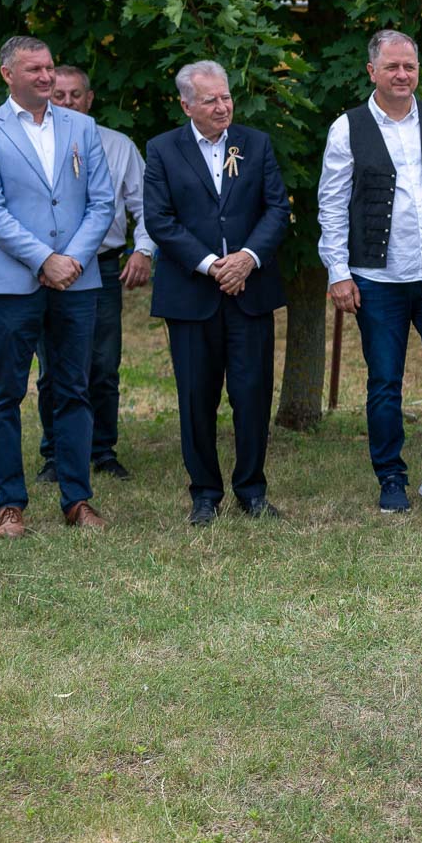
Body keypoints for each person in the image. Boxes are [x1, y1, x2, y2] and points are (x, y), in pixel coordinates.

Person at [318, 30, 422, 514]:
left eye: (409, 67)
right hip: (378, 278)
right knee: (385, 382)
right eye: (392, 67)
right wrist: (338, 272)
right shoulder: (347, 128)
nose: (402, 75)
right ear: (372, 71)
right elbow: (332, 206)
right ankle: (391, 477)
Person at [0, 35, 114, 537]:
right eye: (35, 69)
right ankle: (10, 504)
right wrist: (43, 259)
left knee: (73, 389)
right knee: (4, 393)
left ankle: (77, 500)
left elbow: (102, 203)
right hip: (13, 283)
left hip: (77, 281)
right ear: (8, 74)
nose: (47, 76)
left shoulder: (82, 126)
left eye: (49, 67)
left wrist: (71, 260)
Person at [144, 60, 290, 526]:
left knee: (252, 394)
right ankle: (205, 493)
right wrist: (212, 265)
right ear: (186, 105)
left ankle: (252, 490)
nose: (222, 106)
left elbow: (276, 209)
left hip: (251, 291)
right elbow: (159, 219)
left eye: (226, 97)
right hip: (192, 295)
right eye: (210, 100)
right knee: (196, 397)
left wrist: (247, 257)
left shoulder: (256, 143)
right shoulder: (162, 150)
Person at [33, 64, 155, 483]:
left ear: (89, 99)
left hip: (101, 268)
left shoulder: (118, 146)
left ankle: (102, 450)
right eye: (59, 95)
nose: (67, 102)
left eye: (75, 95)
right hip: (47, 268)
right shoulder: (35, 145)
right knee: (52, 367)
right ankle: (55, 454)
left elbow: (146, 207)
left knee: (102, 364)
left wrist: (143, 250)